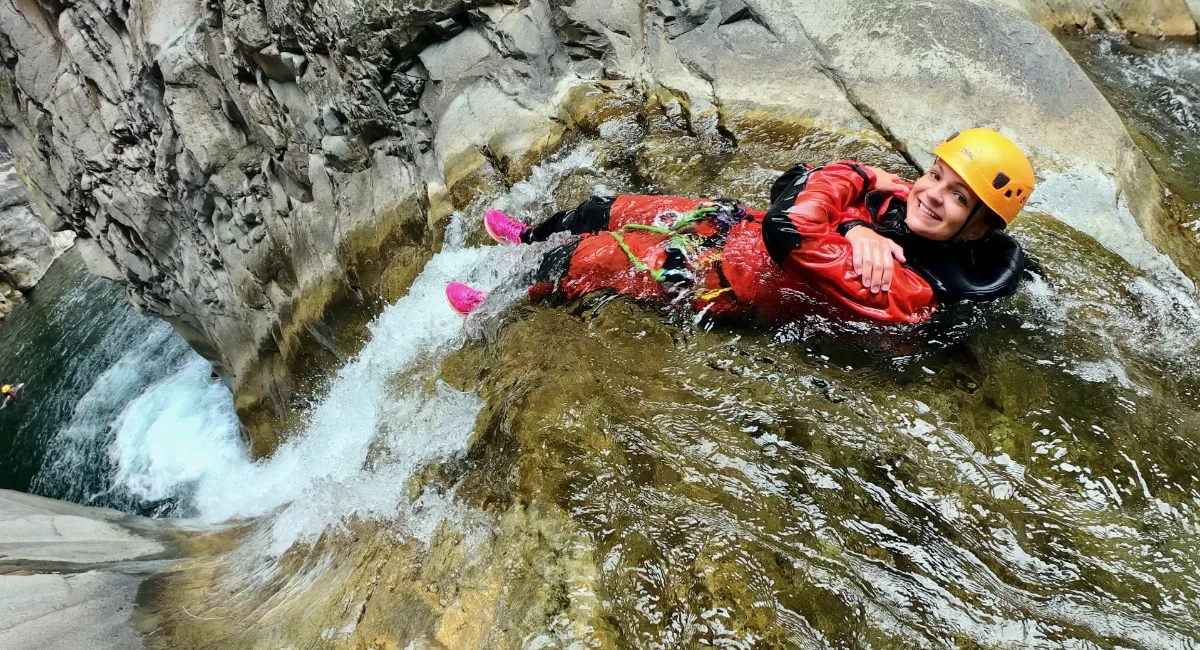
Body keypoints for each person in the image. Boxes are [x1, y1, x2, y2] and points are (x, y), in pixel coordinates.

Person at [445, 128, 1035, 325]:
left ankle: (499, 300)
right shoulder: (901, 208)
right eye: (935, 175)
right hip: (736, 228)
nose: (930, 194)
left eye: (957, 199)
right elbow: (801, 174)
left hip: (728, 282)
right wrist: (856, 226)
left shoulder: (907, 289)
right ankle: (525, 239)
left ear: (977, 232)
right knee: (605, 208)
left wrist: (852, 190)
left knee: (593, 259)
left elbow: (792, 229)